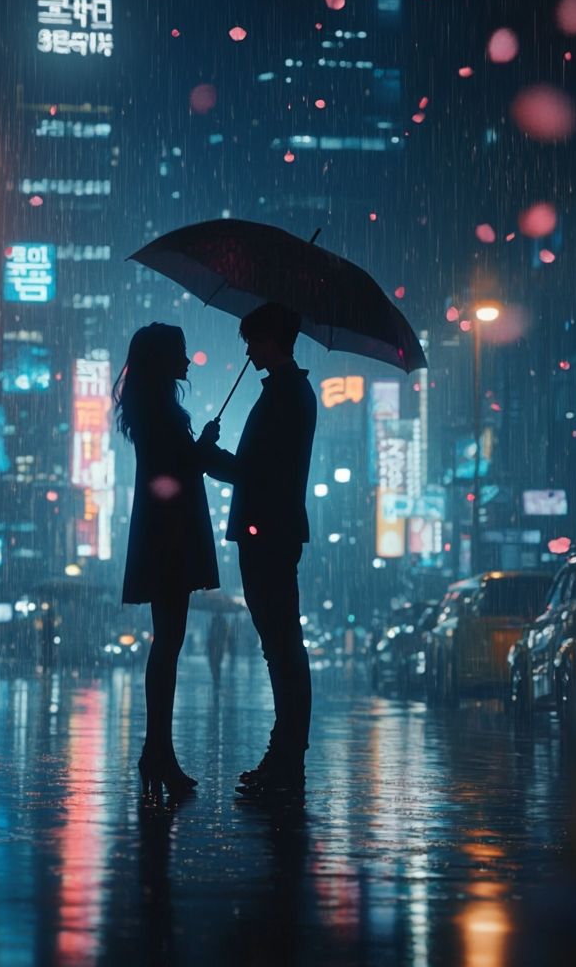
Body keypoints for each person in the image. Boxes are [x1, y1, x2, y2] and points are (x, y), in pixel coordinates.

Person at [202, 303, 317, 798]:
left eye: (253, 340)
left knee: (281, 646)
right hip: (272, 530)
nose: (247, 351)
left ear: (273, 339)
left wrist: (207, 455)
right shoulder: (286, 392)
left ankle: (287, 758)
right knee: (280, 645)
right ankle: (284, 755)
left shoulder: (285, 395)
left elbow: (254, 471)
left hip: (267, 532)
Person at [115, 323, 221, 799]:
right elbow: (176, 470)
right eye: (179, 351)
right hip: (170, 534)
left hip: (163, 532)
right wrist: (206, 446)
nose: (187, 359)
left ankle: (157, 750)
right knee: (168, 644)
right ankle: (158, 751)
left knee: (169, 643)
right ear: (163, 359)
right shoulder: (160, 410)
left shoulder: (151, 406)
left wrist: (200, 447)